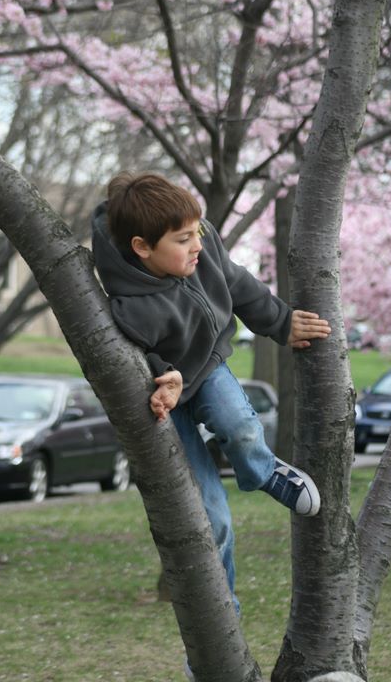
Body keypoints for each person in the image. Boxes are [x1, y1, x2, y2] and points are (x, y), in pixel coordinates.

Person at [91, 172, 330, 629]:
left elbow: (236, 284)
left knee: (239, 425)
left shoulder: (201, 245)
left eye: (197, 231)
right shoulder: (128, 303)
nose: (197, 245)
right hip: (163, 399)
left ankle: (264, 472)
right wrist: (163, 374)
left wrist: (281, 323)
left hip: (209, 365)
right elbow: (134, 352)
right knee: (210, 519)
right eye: (183, 240)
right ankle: (220, 623)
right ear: (142, 247)